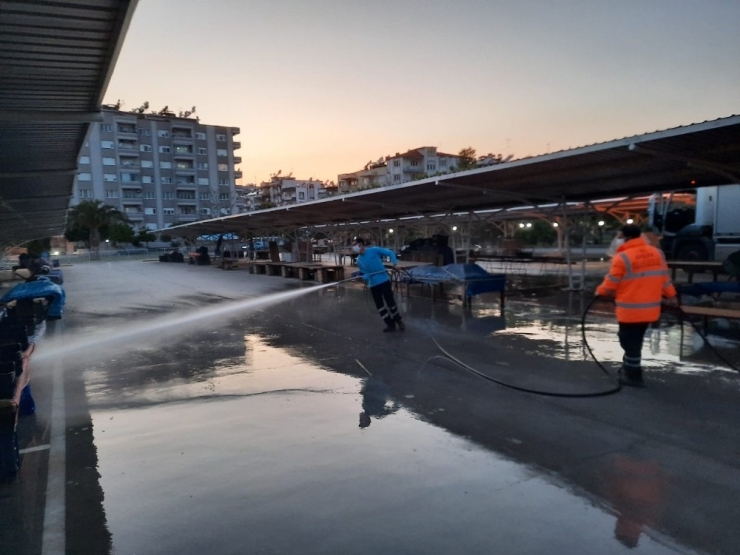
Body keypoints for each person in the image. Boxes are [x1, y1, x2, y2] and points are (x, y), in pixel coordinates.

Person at [596, 224, 677, 387]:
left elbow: (612, 282)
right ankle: (628, 367)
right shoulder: (657, 253)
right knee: (636, 339)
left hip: (630, 309)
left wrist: (600, 291)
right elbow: (664, 279)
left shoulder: (623, 257)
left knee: (628, 341)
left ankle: (634, 375)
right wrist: (672, 296)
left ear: (624, 237)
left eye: (618, 236)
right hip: (650, 309)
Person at [353, 237, 405, 332]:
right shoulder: (359, 260)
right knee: (380, 306)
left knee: (390, 303)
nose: (354, 247)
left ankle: (399, 321)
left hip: (384, 280)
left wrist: (395, 264)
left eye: (355, 244)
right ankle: (390, 324)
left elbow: (390, 252)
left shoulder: (374, 250)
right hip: (373, 285)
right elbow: (366, 274)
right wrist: (362, 278)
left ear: (361, 244)